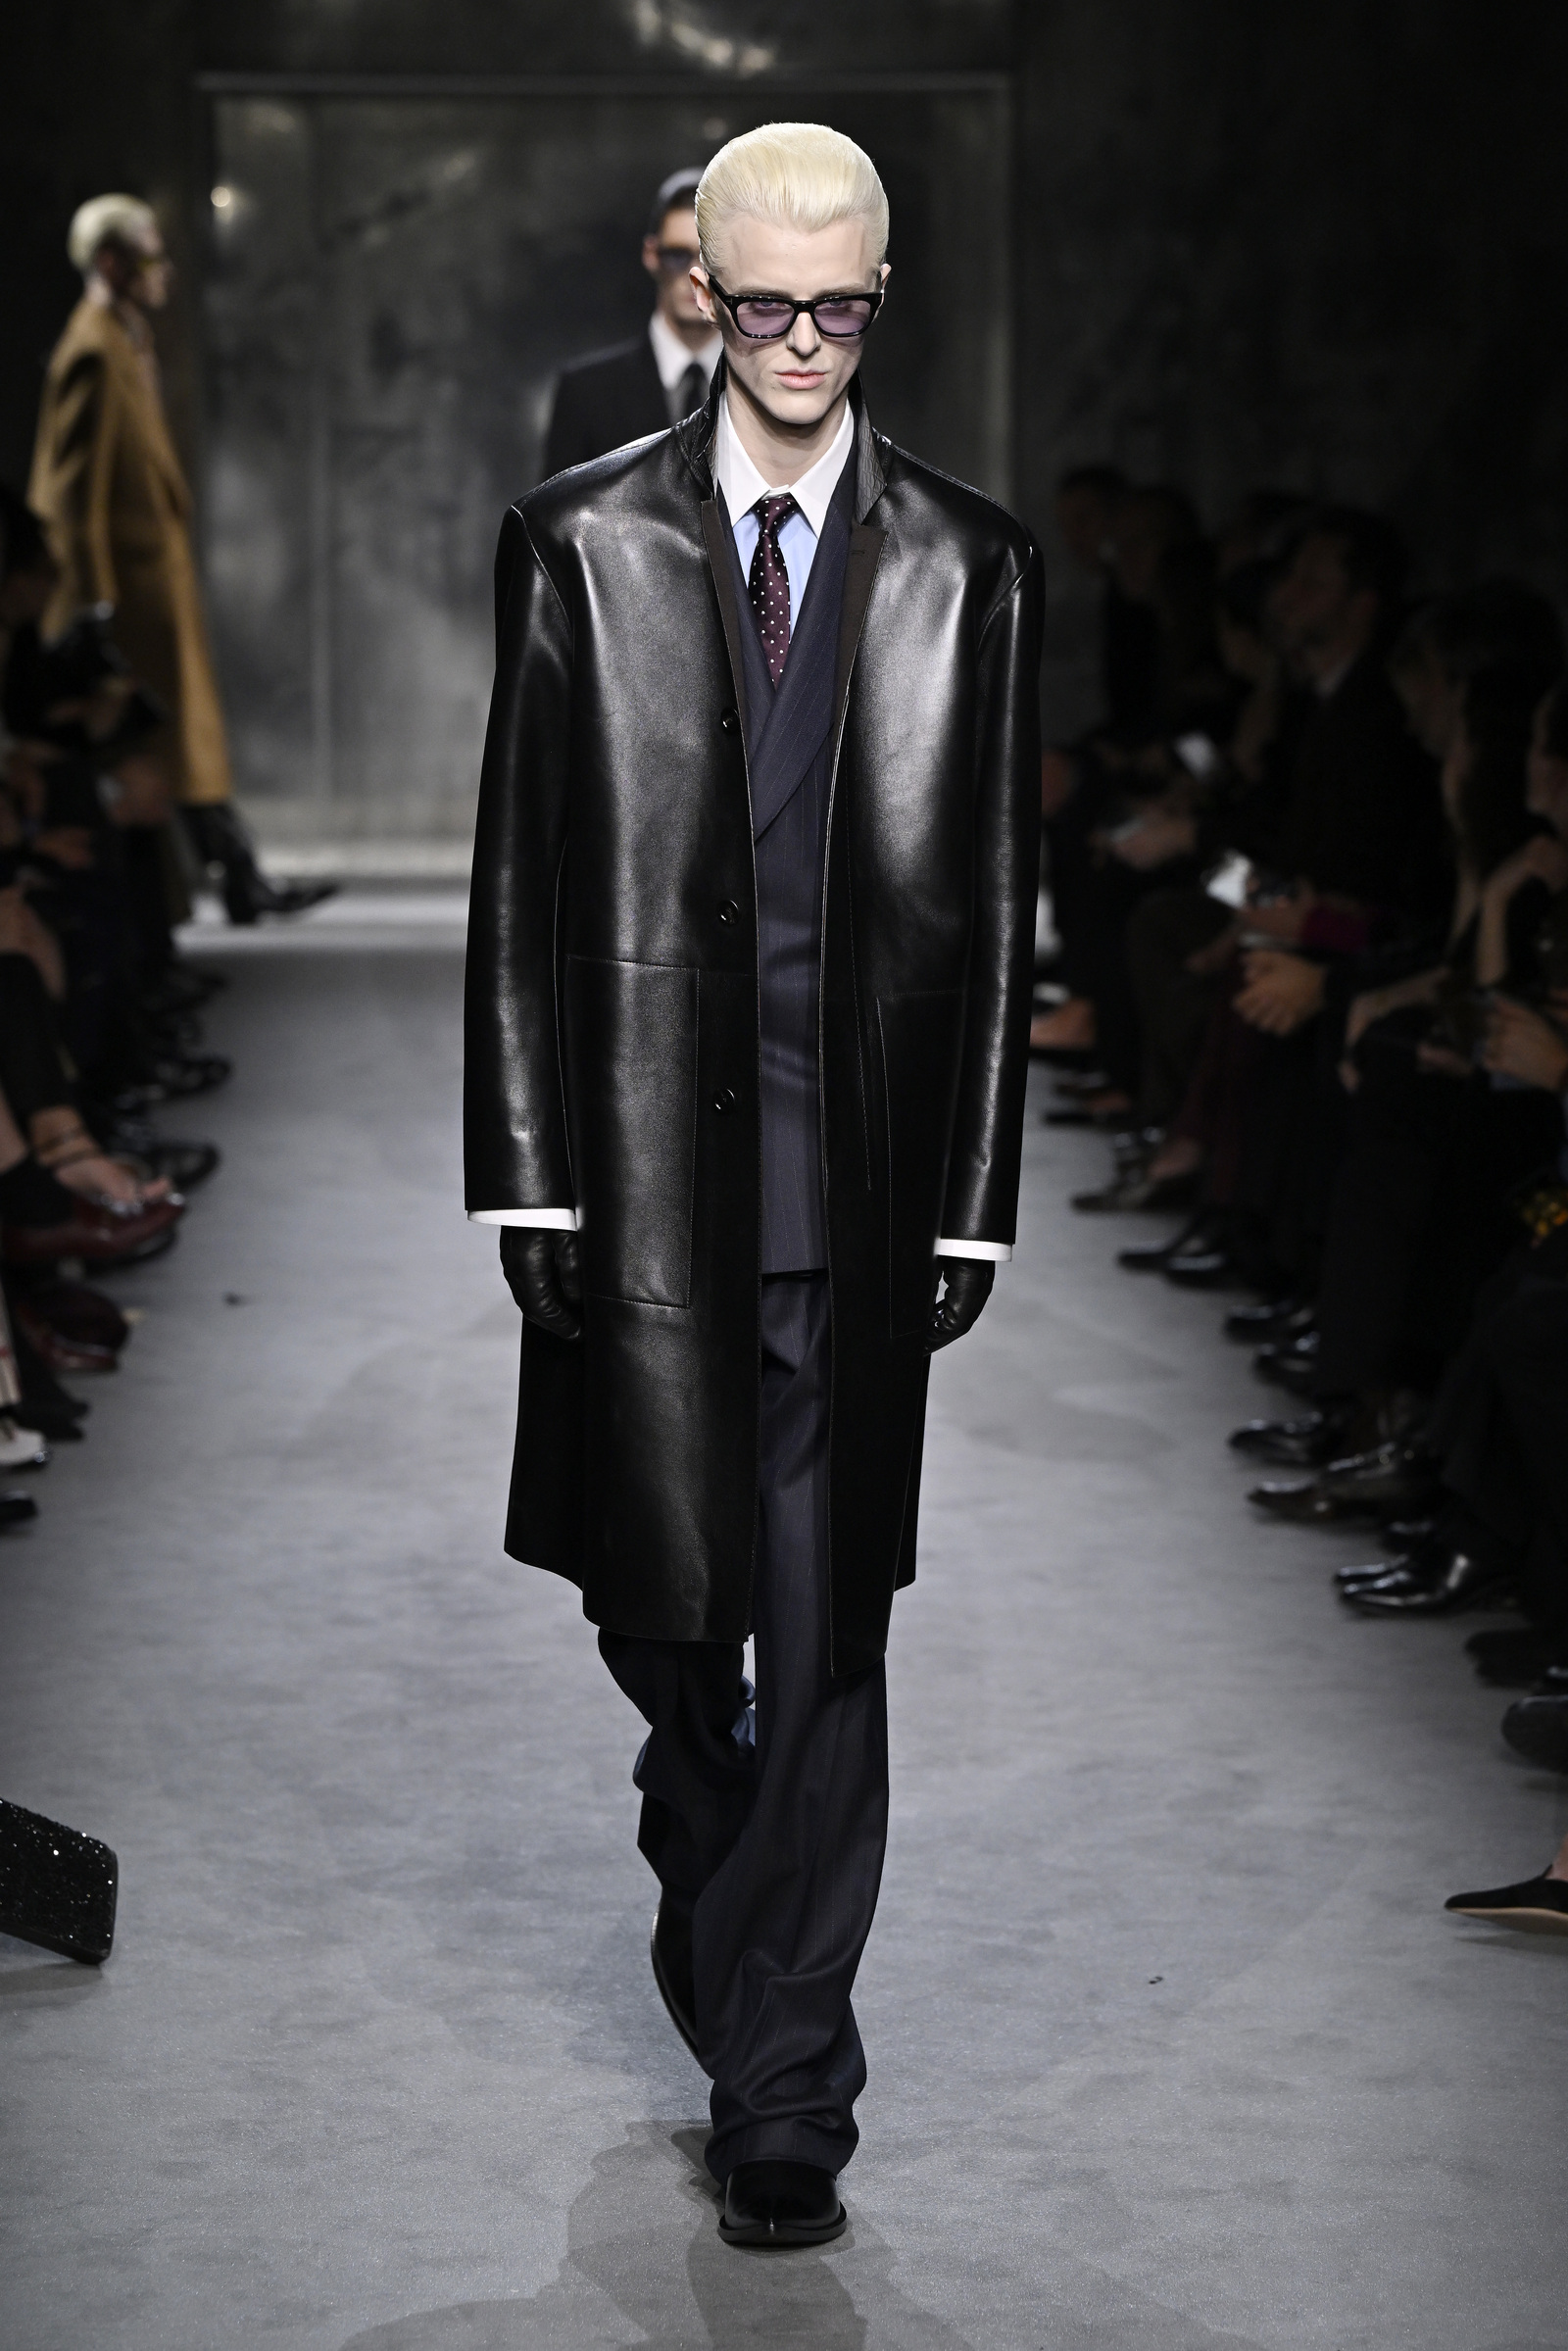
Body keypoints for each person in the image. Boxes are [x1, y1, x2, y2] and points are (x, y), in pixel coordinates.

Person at [466, 122, 1042, 2248]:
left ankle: (788, 2084)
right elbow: (519, 870)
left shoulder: (969, 562)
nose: (803, 344)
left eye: (842, 308)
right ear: (701, 289)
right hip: (634, 1168)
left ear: (882, 298)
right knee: (659, 1617)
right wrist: (527, 1170)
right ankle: (696, 1807)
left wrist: (973, 1191)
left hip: (859, 1192)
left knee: (825, 1637)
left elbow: (996, 899)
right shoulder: (579, 539)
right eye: (767, 302)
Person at [27, 194, 333, 925]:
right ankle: (220, 886)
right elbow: (71, 497)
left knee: (178, 753)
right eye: (149, 256)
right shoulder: (94, 352)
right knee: (159, 756)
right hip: (129, 603)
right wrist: (94, 605)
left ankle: (231, 879)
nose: (163, 270)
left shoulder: (122, 342)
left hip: (148, 594)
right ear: (111, 263)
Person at [542, 168, 723, 477]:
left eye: (709, 258)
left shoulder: (760, 383)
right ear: (652, 254)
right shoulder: (586, 393)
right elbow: (556, 508)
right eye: (678, 256)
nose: (695, 275)